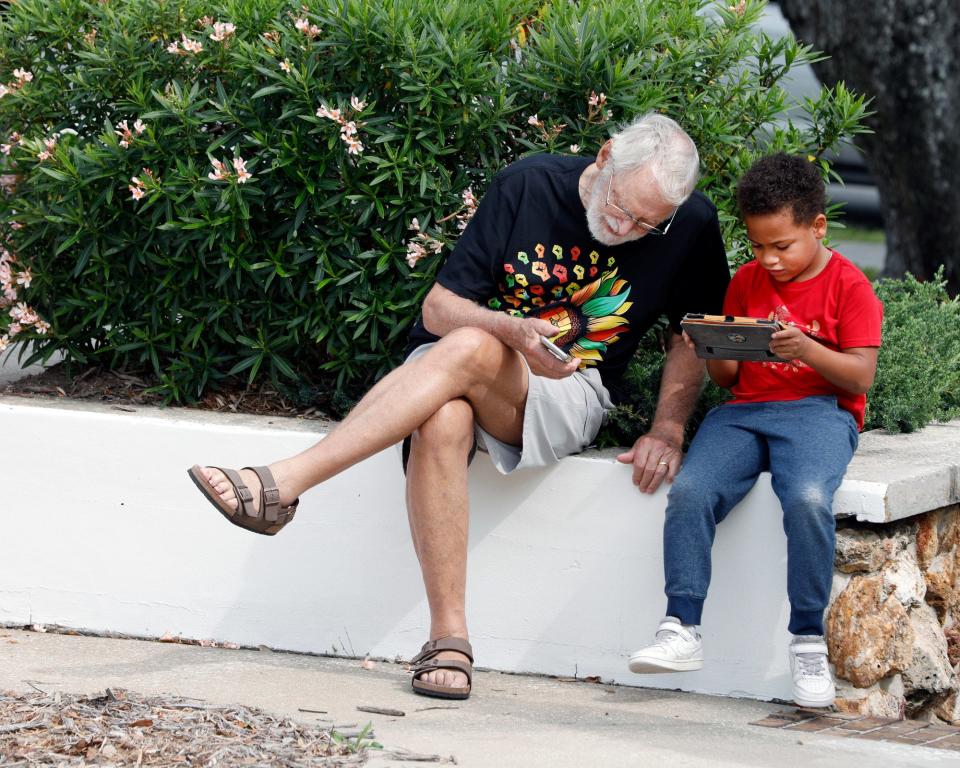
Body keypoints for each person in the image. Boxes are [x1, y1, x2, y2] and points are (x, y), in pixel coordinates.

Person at [187, 113, 730, 700]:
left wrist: (668, 429)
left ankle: (281, 484)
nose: (626, 229)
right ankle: (449, 639)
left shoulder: (690, 224)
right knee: (445, 411)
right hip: (457, 368)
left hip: (572, 390)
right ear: (603, 159)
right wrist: (511, 331)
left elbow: (691, 334)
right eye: (623, 209)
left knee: (468, 349)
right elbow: (438, 310)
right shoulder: (529, 184)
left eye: (647, 225)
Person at [627, 153, 883, 708]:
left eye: (781, 246)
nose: (767, 259)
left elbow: (861, 375)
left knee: (808, 497)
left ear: (818, 227)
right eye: (757, 245)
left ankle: (808, 640)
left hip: (819, 413)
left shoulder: (849, 286)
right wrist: (711, 347)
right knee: (693, 490)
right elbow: (729, 378)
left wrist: (808, 348)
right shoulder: (745, 281)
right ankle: (681, 626)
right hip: (744, 412)